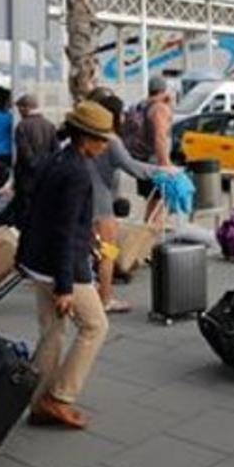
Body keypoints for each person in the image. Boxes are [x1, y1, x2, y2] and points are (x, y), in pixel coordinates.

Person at [17, 100, 113, 430]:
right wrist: (65, 286)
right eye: (101, 139)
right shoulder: (77, 174)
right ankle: (58, 397)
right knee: (95, 326)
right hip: (61, 267)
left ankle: (36, 400)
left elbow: (36, 210)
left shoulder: (55, 158)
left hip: (37, 261)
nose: (104, 145)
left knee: (52, 333)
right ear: (85, 137)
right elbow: (64, 231)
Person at [86, 89, 172, 313]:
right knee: (108, 252)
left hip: (83, 201)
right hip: (101, 205)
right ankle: (105, 298)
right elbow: (133, 168)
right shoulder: (111, 140)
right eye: (122, 113)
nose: (125, 117)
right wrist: (164, 171)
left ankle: (92, 288)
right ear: (114, 115)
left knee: (93, 248)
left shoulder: (88, 134)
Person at [12, 93, 60, 226]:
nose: (19, 112)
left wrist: (35, 167)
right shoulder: (49, 125)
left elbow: (25, 155)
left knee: (26, 216)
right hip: (47, 178)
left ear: (25, 108)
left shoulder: (21, 127)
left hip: (26, 179)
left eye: (19, 109)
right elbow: (56, 151)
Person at [136, 76, 175, 220]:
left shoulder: (144, 105)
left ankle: (149, 236)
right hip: (155, 162)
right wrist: (165, 164)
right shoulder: (159, 109)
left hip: (143, 159)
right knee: (158, 206)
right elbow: (160, 137)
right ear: (163, 90)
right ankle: (152, 239)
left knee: (153, 204)